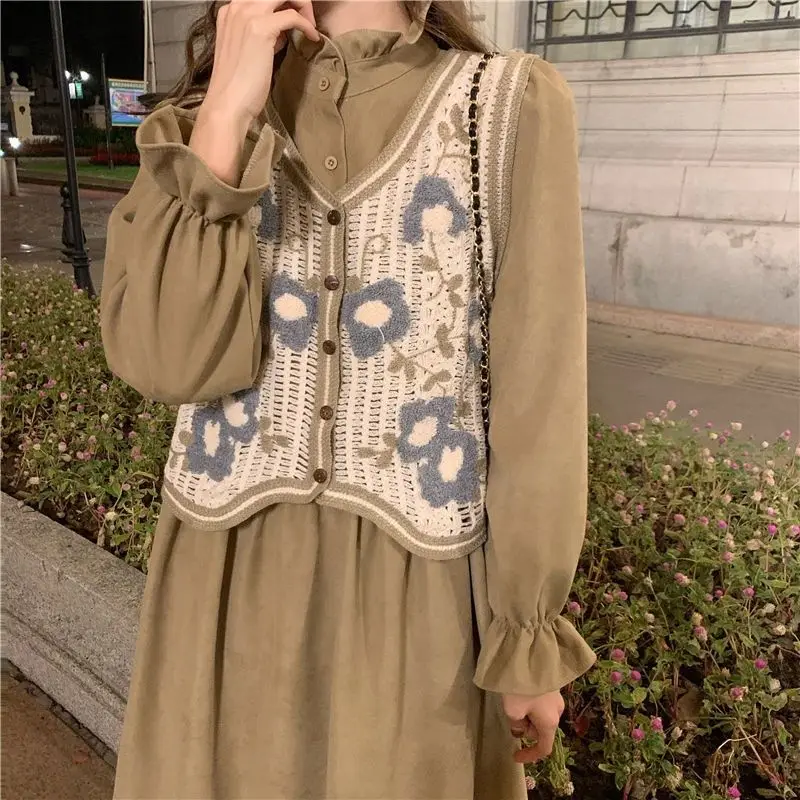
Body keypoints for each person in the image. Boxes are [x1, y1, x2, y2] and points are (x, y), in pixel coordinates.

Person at [101, 1, 596, 797]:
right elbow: (167, 361)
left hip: (415, 610)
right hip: (220, 592)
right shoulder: (203, 118)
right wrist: (225, 113)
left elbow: (540, 394)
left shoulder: (507, 106)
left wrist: (525, 634)